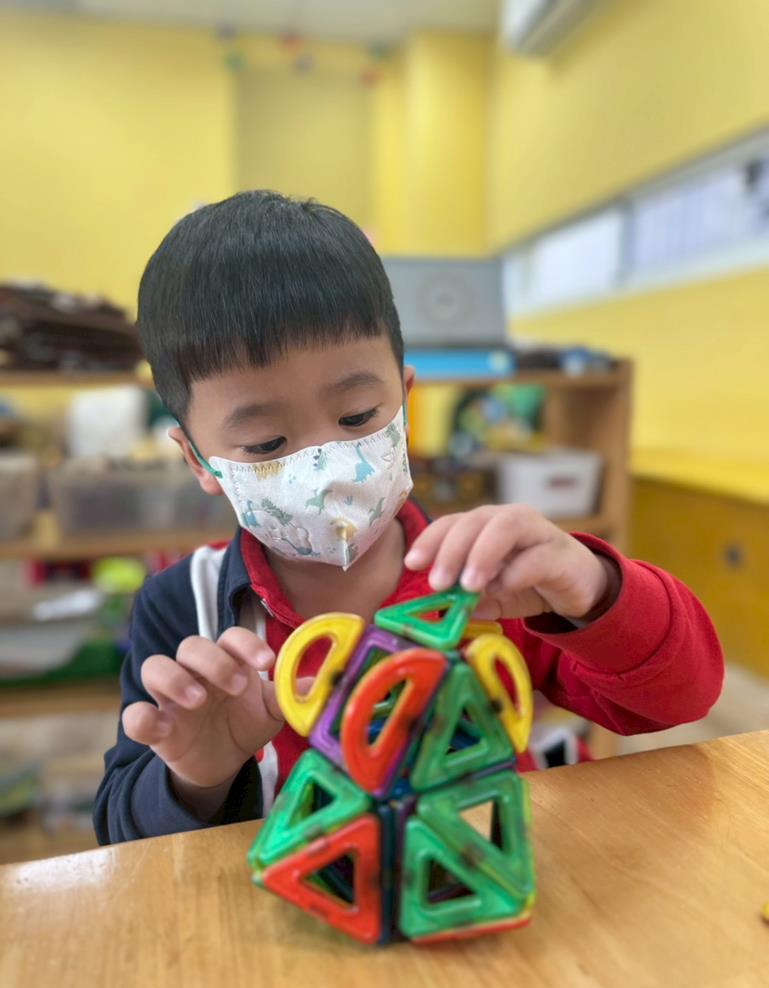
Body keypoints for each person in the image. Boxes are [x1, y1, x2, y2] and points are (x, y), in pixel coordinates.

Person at [94, 191, 723, 843]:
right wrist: (195, 778)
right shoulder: (185, 608)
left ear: (404, 395)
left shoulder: (489, 574)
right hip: (300, 899)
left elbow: (680, 698)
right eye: (266, 443)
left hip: (490, 875)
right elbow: (122, 838)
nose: (328, 469)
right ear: (197, 459)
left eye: (358, 416)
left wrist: (593, 588)